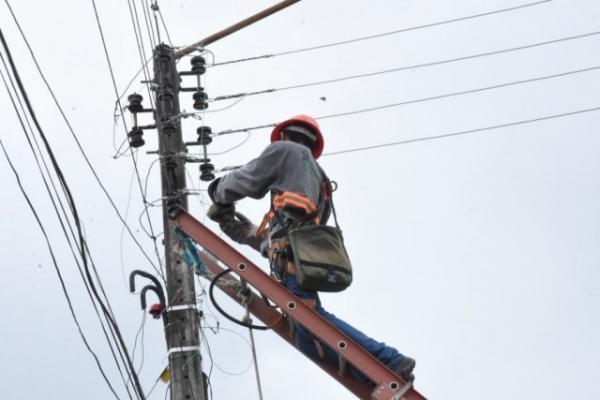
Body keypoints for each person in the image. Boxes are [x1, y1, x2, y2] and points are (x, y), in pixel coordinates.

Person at [206, 115, 416, 382]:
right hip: (299, 256)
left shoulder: (285, 151)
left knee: (310, 317)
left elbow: (247, 179)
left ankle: (388, 361)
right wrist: (250, 237)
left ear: (283, 137)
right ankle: (376, 375)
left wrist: (218, 193)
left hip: (292, 259)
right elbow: (299, 231)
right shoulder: (318, 178)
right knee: (306, 337)